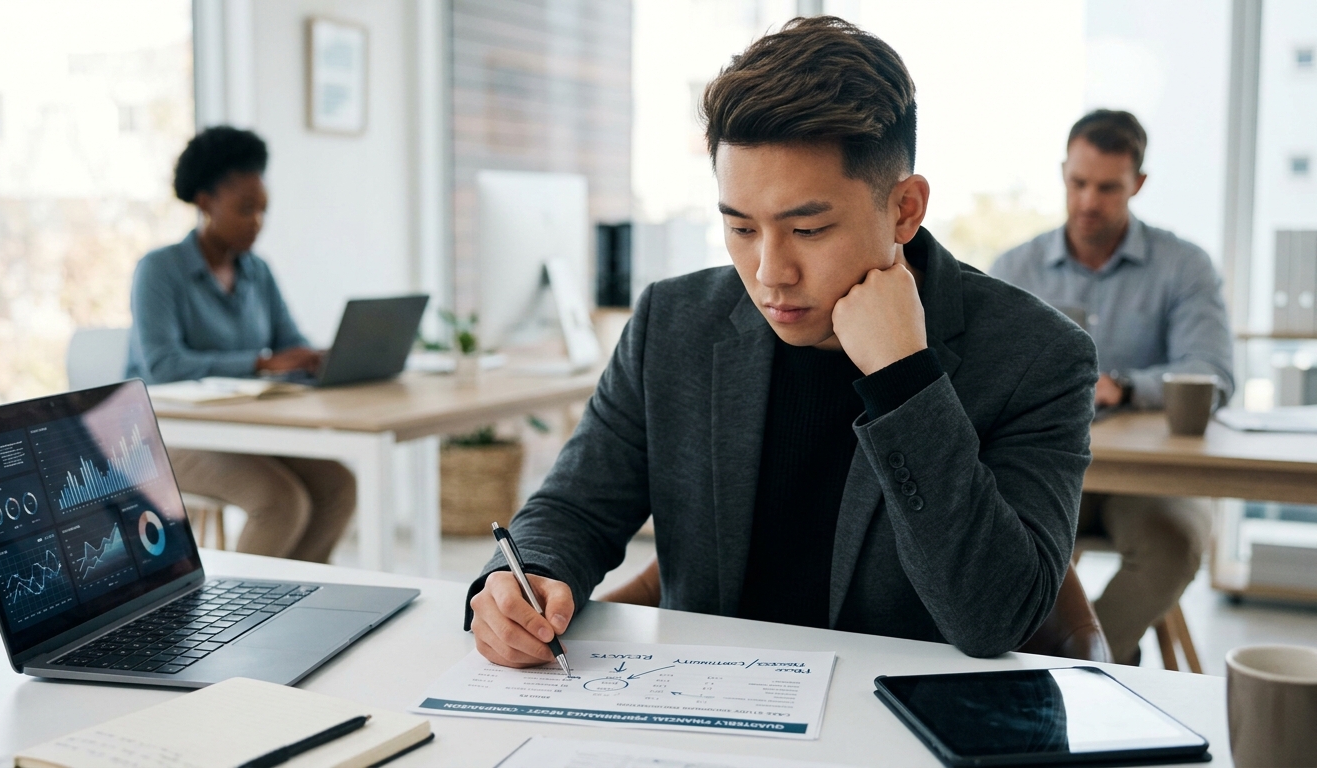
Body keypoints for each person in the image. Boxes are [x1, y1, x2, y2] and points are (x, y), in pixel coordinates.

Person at [464, 17, 1098, 667]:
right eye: (741, 228)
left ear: (905, 208)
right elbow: (575, 508)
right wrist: (523, 576)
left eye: (809, 229)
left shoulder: (1037, 358)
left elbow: (994, 617)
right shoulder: (675, 322)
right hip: (706, 714)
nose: (770, 273)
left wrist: (905, 379)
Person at [991, 110, 1234, 665]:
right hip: (1042, 463)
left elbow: (1213, 374)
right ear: (1063, 173)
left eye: (1107, 187)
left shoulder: (1184, 267)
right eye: (1077, 183)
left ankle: (1079, 668)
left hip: (1148, 479)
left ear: (1138, 185)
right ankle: (1079, 664)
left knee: (1172, 545)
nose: (1087, 202)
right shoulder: (1015, 266)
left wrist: (1122, 387)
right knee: (1001, 541)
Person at [126, 126, 355, 563]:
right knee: (279, 502)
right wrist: (262, 363)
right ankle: (238, 618)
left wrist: (314, 359)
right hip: (162, 435)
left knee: (337, 486)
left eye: (263, 210)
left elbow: (290, 344)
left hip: (242, 429)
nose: (257, 223)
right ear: (205, 201)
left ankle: (296, 602)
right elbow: (163, 365)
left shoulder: (257, 272)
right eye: (245, 209)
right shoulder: (159, 270)